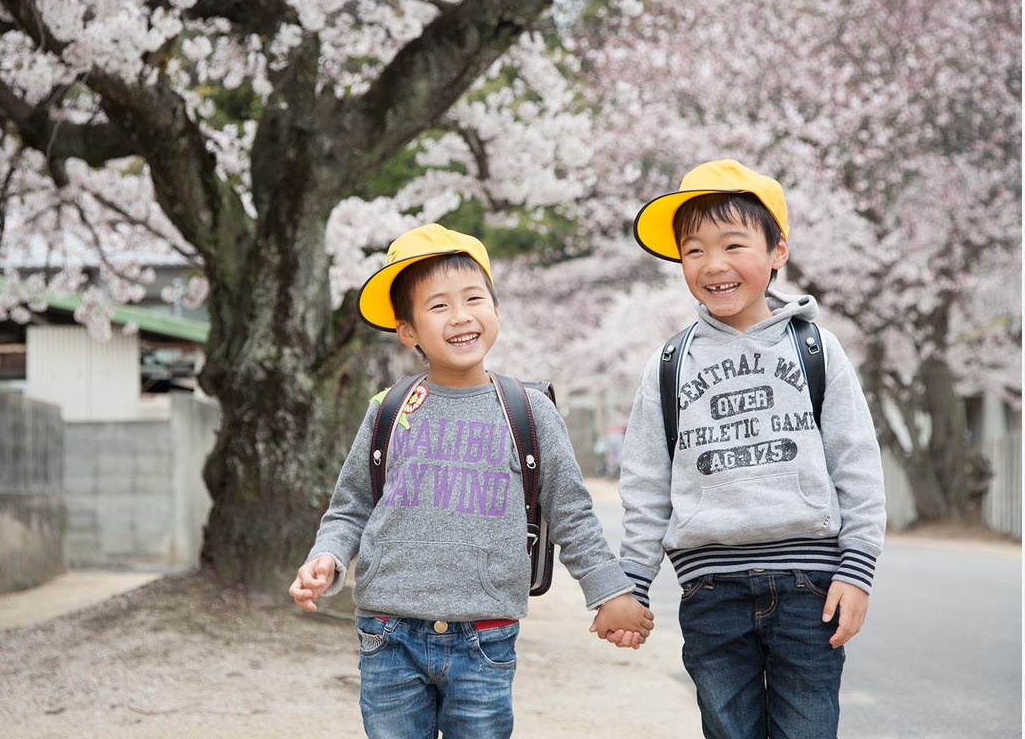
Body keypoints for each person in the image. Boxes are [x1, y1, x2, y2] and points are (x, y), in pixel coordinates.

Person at [289, 223, 653, 738]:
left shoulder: (529, 411)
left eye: (474, 299)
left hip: (485, 637)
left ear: (496, 311)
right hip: (387, 632)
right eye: (438, 306)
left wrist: (608, 591)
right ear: (408, 331)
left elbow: (571, 515)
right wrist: (326, 556)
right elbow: (352, 506)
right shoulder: (390, 410)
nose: (460, 316)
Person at [616, 159, 887, 739]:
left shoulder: (816, 349)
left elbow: (857, 463)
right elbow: (645, 483)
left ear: (777, 250)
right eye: (694, 250)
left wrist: (857, 572)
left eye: (733, 245)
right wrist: (632, 584)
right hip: (710, 590)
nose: (713, 264)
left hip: (810, 587)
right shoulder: (669, 364)